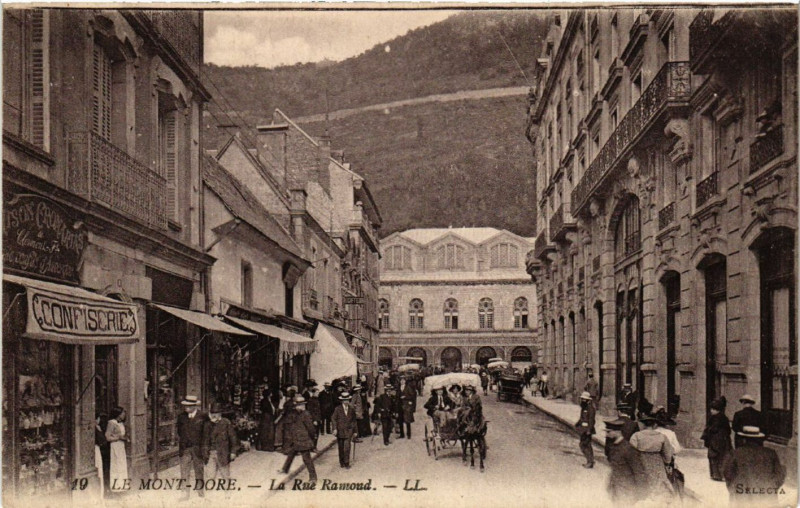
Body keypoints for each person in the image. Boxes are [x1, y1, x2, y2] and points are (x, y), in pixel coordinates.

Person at [722, 426, 786, 508]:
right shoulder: (771, 453)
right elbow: (780, 475)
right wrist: (772, 486)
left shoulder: (735, 453)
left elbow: (727, 473)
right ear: (760, 439)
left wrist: (734, 488)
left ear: (744, 439)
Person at [629, 414, 675, 502]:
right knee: (659, 484)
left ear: (643, 425)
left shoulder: (636, 436)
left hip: (641, 461)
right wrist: (667, 462)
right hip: (657, 462)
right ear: (654, 425)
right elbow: (667, 453)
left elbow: (631, 451)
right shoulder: (661, 436)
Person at [604, 418, 648, 505]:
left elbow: (639, 471)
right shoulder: (613, 447)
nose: (606, 435)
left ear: (617, 432)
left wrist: (642, 494)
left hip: (627, 491)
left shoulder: (628, 449)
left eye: (609, 432)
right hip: (616, 489)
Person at [278, 395, 318, 483]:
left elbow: (310, 428)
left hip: (303, 439)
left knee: (307, 459)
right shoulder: (294, 414)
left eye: (302, 405)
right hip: (296, 439)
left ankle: (313, 477)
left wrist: (312, 437)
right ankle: (285, 469)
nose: (301, 406)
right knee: (291, 454)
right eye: (300, 405)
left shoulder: (306, 414)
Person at [177, 395, 207, 499]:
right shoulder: (181, 417)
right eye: (185, 406)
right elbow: (179, 431)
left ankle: (200, 491)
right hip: (185, 448)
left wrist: (204, 448)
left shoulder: (203, 416)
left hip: (197, 448)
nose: (186, 408)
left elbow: (206, 434)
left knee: (199, 470)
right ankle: (185, 493)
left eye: (188, 406)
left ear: (194, 406)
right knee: (184, 471)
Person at [205, 402, 239, 488]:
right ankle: (209, 497)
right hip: (211, 453)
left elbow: (233, 438)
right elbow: (205, 440)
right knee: (210, 476)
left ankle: (227, 494)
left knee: (225, 475)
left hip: (223, 453)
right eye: (212, 413)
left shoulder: (226, 423)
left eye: (216, 413)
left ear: (220, 413)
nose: (214, 415)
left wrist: (233, 452)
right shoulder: (208, 424)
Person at [701, 396, 732, 481]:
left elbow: (712, 429)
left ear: (716, 410)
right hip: (724, 440)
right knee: (722, 457)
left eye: (713, 409)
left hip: (715, 440)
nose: (711, 411)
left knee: (714, 457)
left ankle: (716, 475)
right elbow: (729, 430)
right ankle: (721, 475)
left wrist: (707, 433)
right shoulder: (724, 418)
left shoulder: (714, 418)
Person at [105, 406, 129, 494]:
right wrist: (118, 438)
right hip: (115, 446)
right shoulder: (111, 423)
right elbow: (107, 437)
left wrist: (124, 438)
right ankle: (115, 488)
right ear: (118, 414)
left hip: (121, 446)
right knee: (116, 466)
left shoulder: (121, 423)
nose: (124, 415)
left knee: (122, 465)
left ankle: (122, 487)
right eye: (122, 413)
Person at [331, 391, 357, 468]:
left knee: (347, 447)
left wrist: (355, 431)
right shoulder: (337, 409)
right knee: (341, 448)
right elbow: (333, 418)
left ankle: (346, 463)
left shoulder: (351, 409)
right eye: (344, 400)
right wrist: (334, 429)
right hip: (340, 431)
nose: (346, 402)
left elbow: (354, 420)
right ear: (342, 401)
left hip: (349, 431)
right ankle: (341, 462)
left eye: (347, 400)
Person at [575, 392, 596, 468]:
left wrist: (589, 430)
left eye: (584, 399)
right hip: (583, 429)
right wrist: (577, 424)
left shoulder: (590, 408)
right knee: (587, 445)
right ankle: (590, 461)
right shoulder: (584, 407)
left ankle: (590, 461)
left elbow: (591, 420)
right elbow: (582, 418)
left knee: (583, 445)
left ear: (588, 400)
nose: (582, 400)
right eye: (582, 399)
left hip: (587, 430)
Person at [95, 413, 110, 496]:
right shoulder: (96, 428)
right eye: (98, 418)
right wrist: (99, 430)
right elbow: (102, 441)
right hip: (96, 450)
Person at [257, 386, 276, 451]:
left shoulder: (270, 400)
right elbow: (265, 409)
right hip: (266, 417)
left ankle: (269, 446)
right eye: (271, 393)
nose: (272, 394)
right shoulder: (264, 401)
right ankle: (264, 446)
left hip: (270, 417)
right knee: (265, 431)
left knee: (269, 432)